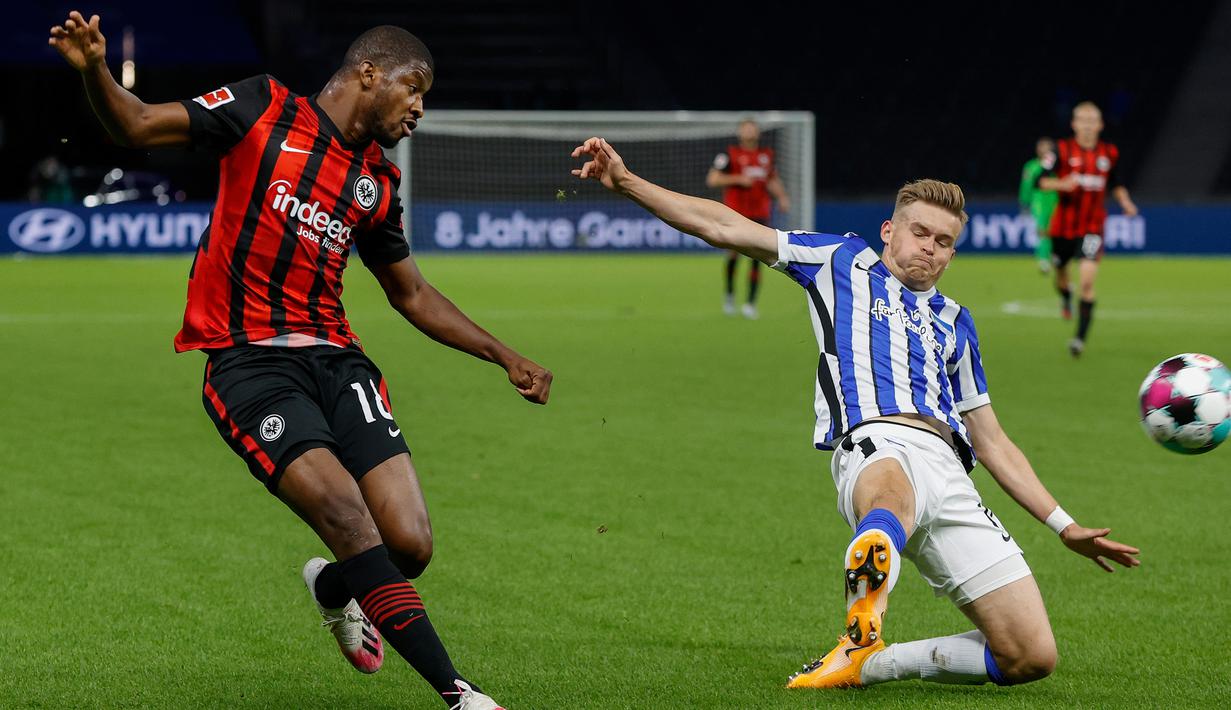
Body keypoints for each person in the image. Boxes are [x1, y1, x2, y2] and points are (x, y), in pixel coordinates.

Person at [51, 11, 553, 710]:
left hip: (338, 363)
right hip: (249, 366)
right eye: (414, 89)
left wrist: (504, 355)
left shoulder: (377, 182)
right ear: (369, 73)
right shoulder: (262, 107)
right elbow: (135, 125)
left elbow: (410, 293)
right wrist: (95, 71)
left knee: (408, 545)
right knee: (347, 516)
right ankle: (460, 695)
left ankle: (334, 587)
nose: (419, 109)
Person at [570, 137, 1139, 690]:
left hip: (951, 473)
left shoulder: (956, 322)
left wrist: (1065, 526)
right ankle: (862, 621)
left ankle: (870, 664)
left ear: (952, 253)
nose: (930, 248)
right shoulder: (840, 260)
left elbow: (991, 441)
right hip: (876, 443)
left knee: (1031, 655)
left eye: (944, 242)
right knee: (889, 497)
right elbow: (722, 224)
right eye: (920, 232)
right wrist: (628, 182)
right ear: (889, 230)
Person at [1038, 102, 1138, 357]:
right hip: (1063, 227)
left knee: (1086, 282)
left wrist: (1126, 202)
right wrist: (1062, 184)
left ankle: (1079, 339)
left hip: (1092, 227)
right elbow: (1041, 180)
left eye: (1092, 120)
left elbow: (1116, 183)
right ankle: (1065, 295)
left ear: (1100, 125)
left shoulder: (1109, 153)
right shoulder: (1060, 150)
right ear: (1074, 124)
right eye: (1083, 120)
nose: (1087, 125)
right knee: (1061, 274)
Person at [706, 118, 790, 319]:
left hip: (760, 213)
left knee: (758, 258)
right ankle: (729, 296)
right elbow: (713, 179)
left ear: (758, 133)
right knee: (733, 255)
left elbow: (772, 180)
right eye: (746, 129)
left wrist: (782, 197)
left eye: (753, 129)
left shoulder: (766, 156)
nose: (750, 132)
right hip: (735, 214)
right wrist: (738, 179)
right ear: (740, 133)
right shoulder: (729, 154)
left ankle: (750, 304)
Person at [1018, 137, 1058, 274]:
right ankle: (1043, 259)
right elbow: (1026, 185)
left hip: (1055, 200)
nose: (1044, 149)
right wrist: (1025, 202)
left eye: (1047, 147)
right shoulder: (1031, 166)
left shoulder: (1056, 165)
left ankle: (1054, 255)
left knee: (1055, 231)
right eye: (1041, 147)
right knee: (1042, 230)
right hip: (1039, 201)